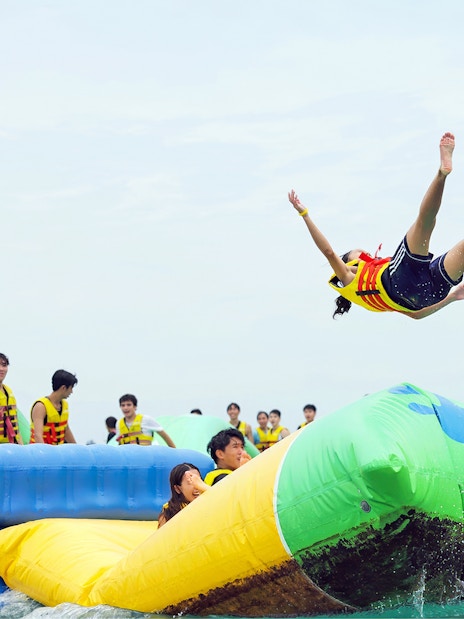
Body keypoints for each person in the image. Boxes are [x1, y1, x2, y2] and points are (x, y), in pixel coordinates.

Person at [288, 132, 464, 320]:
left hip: (428, 296)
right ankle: (441, 173)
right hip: (401, 282)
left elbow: (417, 316)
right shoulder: (349, 277)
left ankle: (443, 174)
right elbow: (329, 252)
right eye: (361, 254)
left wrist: (453, 297)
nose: (368, 255)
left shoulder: (372, 297)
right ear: (350, 261)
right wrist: (304, 214)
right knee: (424, 223)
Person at [30, 369, 78, 444]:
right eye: (71, 388)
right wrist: (45, 454)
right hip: (41, 452)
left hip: (57, 452)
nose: (72, 392)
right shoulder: (41, 406)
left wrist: (77, 449)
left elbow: (66, 429)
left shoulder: (64, 405)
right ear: (63, 388)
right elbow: (37, 435)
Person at [157, 463, 209, 529]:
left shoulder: (207, 506)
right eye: (190, 482)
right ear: (177, 489)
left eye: (198, 481)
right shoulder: (169, 514)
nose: (197, 486)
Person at [0, 353, 23, 445]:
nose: (1, 369)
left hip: (12, 447)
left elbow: (15, 427)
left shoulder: (9, 392)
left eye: (4, 365)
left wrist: (22, 449)